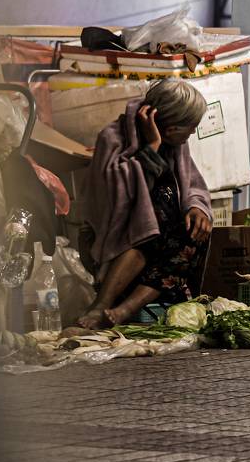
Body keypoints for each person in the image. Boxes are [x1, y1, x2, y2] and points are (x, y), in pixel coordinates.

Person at [79, 78, 213, 328]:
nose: (192, 133)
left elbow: (192, 184)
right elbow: (117, 198)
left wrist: (197, 208)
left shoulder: (177, 146)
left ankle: (124, 310)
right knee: (154, 221)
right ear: (171, 128)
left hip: (163, 243)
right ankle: (101, 305)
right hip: (123, 235)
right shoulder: (112, 138)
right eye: (191, 127)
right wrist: (151, 147)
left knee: (192, 233)